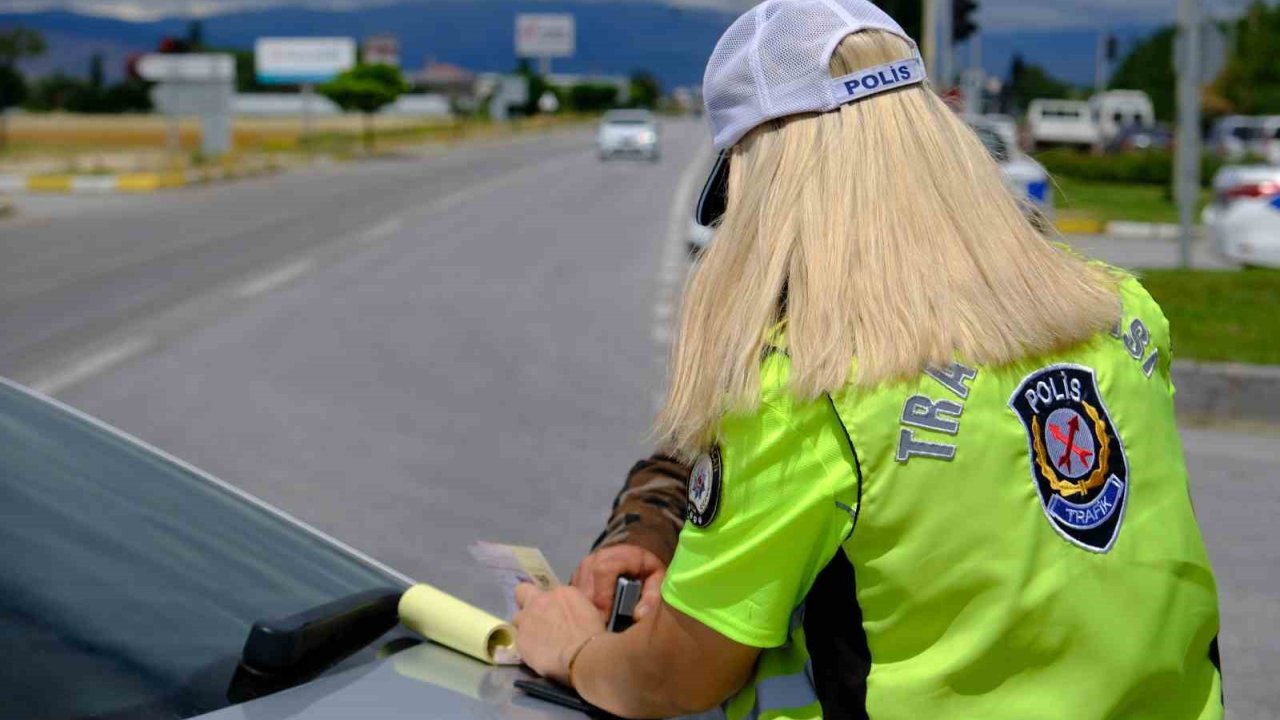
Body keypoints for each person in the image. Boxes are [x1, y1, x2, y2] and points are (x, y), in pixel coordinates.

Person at [513, 1, 1224, 717]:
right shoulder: (1122, 310)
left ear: (770, 183)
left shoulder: (816, 386)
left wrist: (573, 647)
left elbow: (674, 677)